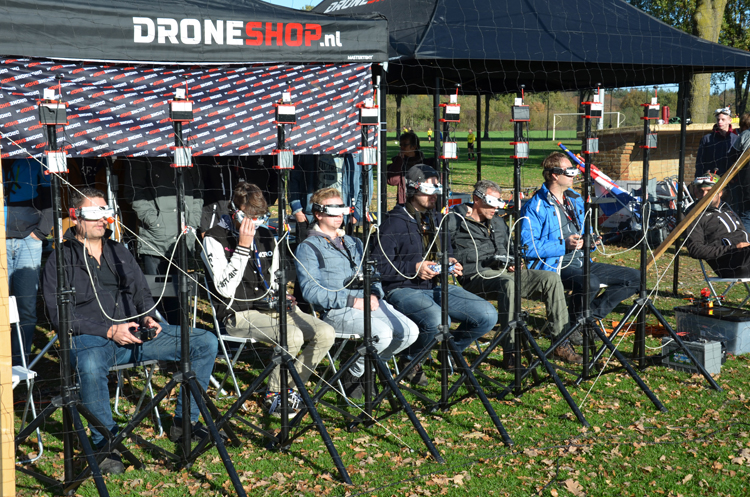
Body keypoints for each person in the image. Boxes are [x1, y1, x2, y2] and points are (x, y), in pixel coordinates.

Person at [42, 188, 218, 475]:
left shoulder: (119, 250)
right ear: (76, 217)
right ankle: (104, 444)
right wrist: (109, 330)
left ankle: (184, 423)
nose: (104, 219)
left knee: (204, 341)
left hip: (135, 335)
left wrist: (149, 316)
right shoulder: (59, 259)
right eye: (96, 212)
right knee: (87, 363)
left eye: (105, 212)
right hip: (91, 340)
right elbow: (59, 315)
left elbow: (141, 293)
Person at [203, 182, 334, 416]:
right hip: (237, 312)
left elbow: (273, 279)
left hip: (271, 306)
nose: (255, 222)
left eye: (260, 216)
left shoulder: (267, 235)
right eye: (249, 216)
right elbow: (224, 289)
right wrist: (243, 247)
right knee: (291, 335)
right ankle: (275, 394)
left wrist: (282, 294)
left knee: (325, 333)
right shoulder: (215, 238)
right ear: (235, 211)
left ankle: (291, 388)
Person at [374, 165, 498, 386]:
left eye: (437, 190)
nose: (435, 196)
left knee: (487, 314)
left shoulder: (435, 219)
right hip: (402, 289)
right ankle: (410, 359)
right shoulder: (393, 222)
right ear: (413, 189)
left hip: (436, 287)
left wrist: (450, 262)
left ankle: (449, 352)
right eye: (429, 190)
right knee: (439, 321)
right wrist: (414, 267)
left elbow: (446, 252)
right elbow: (378, 266)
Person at [295, 187, 418, 399]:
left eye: (342, 209)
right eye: (333, 210)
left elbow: (373, 273)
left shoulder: (354, 242)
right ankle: (354, 373)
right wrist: (352, 300)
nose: (340, 215)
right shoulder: (308, 247)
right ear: (318, 213)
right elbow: (310, 291)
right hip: (338, 310)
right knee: (383, 334)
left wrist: (376, 295)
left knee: (410, 332)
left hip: (370, 303)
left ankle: (367, 367)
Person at [451, 180, 581, 365]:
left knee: (551, 278)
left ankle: (560, 342)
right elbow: (441, 244)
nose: (495, 208)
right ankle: (511, 351)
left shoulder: (497, 221)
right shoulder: (456, 219)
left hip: (505, 272)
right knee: (508, 284)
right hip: (477, 275)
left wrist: (515, 261)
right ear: (476, 199)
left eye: (498, 203)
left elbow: (512, 249)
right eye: (491, 203)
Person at [520, 152, 640, 345]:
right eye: (570, 171)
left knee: (635, 278)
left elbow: (586, 232)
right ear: (554, 175)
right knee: (589, 282)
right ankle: (577, 324)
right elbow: (526, 248)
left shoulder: (575, 200)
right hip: (554, 267)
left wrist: (591, 240)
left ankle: (584, 319)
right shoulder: (535, 206)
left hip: (583, 262)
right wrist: (563, 244)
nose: (575, 175)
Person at [3, 158, 52, 365]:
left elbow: (51, 196)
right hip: (1, 240)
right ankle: (3, 362)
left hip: (28, 241)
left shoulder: (36, 159)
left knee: (26, 306)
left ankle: (21, 361)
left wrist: (40, 232)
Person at [685, 173, 750, 278]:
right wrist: (733, 248)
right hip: (730, 263)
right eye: (701, 191)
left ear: (719, 192)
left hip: (746, 254)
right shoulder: (694, 216)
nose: (704, 195)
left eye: (709, 191)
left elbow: (743, 232)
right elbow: (695, 249)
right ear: (696, 192)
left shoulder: (726, 209)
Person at [387, 131, 435, 206]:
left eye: (405, 145)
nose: (402, 147)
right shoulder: (398, 163)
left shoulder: (426, 163)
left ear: (414, 146)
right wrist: (399, 160)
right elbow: (392, 181)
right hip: (404, 203)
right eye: (401, 145)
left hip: (423, 202)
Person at [694, 107, 738, 179]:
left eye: (723, 119)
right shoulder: (706, 139)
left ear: (730, 120)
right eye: (718, 119)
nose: (720, 122)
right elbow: (700, 162)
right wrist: (699, 178)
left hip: (730, 180)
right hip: (710, 178)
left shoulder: (736, 139)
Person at [727, 113, 750, 229]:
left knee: (746, 216)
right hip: (745, 184)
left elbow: (732, 155)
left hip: (746, 184)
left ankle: (745, 244)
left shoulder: (746, 135)